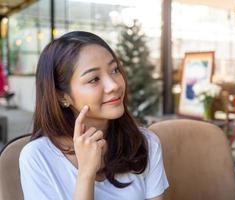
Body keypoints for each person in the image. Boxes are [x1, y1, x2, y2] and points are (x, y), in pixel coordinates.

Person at [19, 31, 169, 200]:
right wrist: (86, 174)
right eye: (94, 79)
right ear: (62, 96)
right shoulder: (37, 157)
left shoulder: (145, 143)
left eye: (114, 70)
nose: (114, 85)